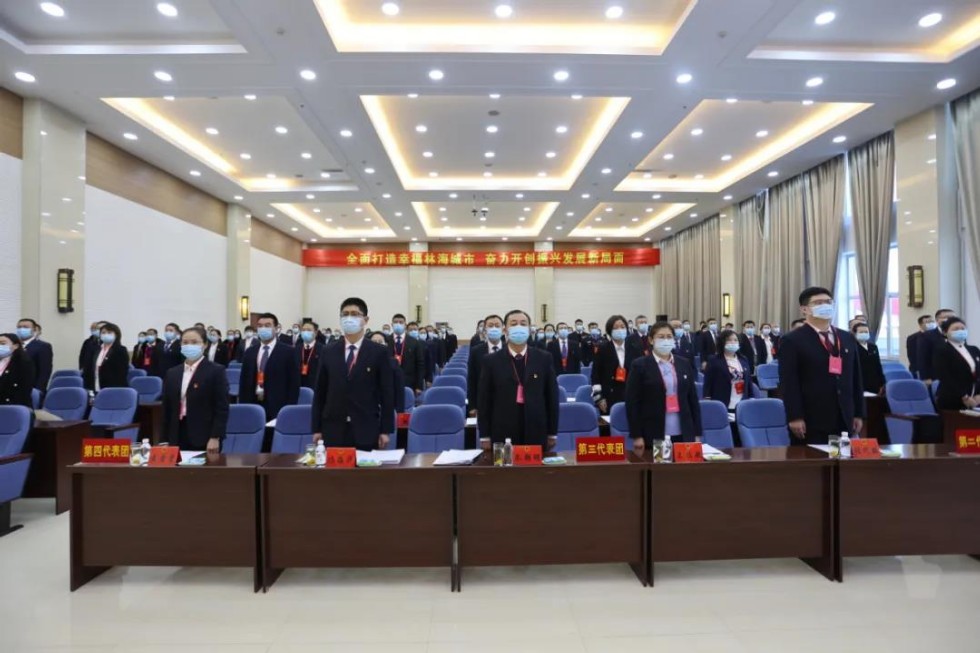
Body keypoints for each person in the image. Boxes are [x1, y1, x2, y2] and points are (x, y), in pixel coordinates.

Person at [779, 287, 864, 445]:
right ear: (804, 309)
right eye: (818, 303)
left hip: (844, 415)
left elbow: (855, 377)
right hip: (811, 417)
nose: (825, 306)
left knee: (842, 457)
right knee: (815, 458)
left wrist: (858, 412)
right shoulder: (792, 340)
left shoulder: (846, 338)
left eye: (828, 302)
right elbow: (789, 382)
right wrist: (795, 416)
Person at [312, 297, 394, 451]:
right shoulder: (328, 351)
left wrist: (385, 430)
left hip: (366, 428)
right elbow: (320, 393)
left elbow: (387, 394)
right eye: (345, 314)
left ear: (365, 320)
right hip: (333, 428)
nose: (349, 318)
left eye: (355, 314)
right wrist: (316, 428)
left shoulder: (379, 352)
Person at [477, 309, 559, 449]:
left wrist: (552, 432)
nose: (518, 327)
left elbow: (551, 396)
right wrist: (484, 435)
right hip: (502, 430)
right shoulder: (491, 361)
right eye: (514, 324)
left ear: (529, 329)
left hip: (536, 428)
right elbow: (484, 400)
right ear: (505, 330)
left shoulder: (544, 358)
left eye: (523, 323)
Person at [626, 321, 701, 448]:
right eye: (661, 337)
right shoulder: (639, 365)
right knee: (661, 461)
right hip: (654, 431)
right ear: (651, 340)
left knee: (682, 461)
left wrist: (697, 432)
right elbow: (632, 402)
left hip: (683, 430)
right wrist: (637, 435)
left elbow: (692, 400)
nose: (666, 340)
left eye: (669, 337)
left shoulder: (684, 363)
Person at [160, 327, 228, 453]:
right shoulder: (172, 373)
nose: (189, 346)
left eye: (194, 342)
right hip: (177, 433)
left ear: (205, 345)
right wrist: (164, 440)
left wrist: (215, 437)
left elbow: (221, 408)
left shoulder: (216, 371)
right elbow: (167, 408)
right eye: (185, 342)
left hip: (204, 434)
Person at [240, 313, 300, 434]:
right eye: (260, 326)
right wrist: (244, 407)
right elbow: (244, 381)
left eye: (267, 325)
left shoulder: (288, 352)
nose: (263, 329)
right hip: (253, 403)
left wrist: (288, 410)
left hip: (277, 405)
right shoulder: (250, 352)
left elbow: (294, 384)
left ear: (276, 328)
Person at [591, 315, 641, 414]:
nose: (620, 330)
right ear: (610, 331)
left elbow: (640, 374)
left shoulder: (635, 348)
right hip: (609, 396)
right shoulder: (602, 349)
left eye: (622, 327)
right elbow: (595, 375)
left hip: (631, 394)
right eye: (616, 328)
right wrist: (599, 398)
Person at [703, 329, 757, 412]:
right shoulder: (714, 360)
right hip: (722, 401)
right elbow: (708, 382)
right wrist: (708, 400)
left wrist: (751, 397)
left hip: (742, 402)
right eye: (729, 340)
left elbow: (748, 381)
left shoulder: (743, 359)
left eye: (735, 340)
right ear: (722, 342)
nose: (733, 342)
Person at [933, 317, 980, 411]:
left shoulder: (974, 349)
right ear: (945, 332)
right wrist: (964, 396)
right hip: (952, 398)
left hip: (975, 396)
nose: (960, 331)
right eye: (956, 329)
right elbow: (945, 376)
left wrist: (978, 394)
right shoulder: (942, 350)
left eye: (963, 328)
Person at [467, 314, 505, 416]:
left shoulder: (509, 349)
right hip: (483, 402)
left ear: (503, 329)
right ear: (485, 329)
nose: (494, 328)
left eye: (497, 325)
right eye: (490, 326)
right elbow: (472, 379)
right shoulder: (476, 351)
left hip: (507, 401)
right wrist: (472, 406)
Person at [84, 322, 129, 392]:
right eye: (103, 333)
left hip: (114, 388)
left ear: (116, 335)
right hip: (96, 386)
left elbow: (122, 373)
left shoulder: (121, 350)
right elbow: (89, 369)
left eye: (109, 332)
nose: (106, 334)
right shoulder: (96, 350)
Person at [389, 314, 426, 397]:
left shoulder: (414, 342)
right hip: (389, 382)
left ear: (405, 325)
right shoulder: (387, 340)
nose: (398, 324)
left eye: (401, 322)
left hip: (409, 382)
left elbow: (420, 364)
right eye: (395, 322)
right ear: (392, 324)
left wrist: (419, 386)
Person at [918, 308, 957, 385]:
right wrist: (926, 378)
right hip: (935, 377)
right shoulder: (927, 335)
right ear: (937, 320)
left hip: (955, 376)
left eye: (953, 318)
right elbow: (922, 358)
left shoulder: (957, 334)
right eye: (946, 317)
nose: (950, 320)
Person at [371, 330, 405, 413]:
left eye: (380, 342)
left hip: (388, 407)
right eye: (374, 342)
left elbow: (399, 390)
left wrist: (399, 412)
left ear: (386, 344)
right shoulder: (362, 362)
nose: (377, 344)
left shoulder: (393, 363)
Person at [0, 334, 36, 409]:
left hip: (13, 405)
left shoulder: (24, 363)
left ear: (15, 346)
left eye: (3, 343)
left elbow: (22, 390)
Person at [16, 319, 52, 393]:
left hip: (31, 388)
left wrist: (38, 390)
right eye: (19, 327)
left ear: (34, 329)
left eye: (25, 327)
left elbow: (44, 371)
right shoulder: (14, 345)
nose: (21, 329)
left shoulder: (42, 346)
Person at [852, 323, 885, 395]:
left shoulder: (873, 347)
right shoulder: (852, 347)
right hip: (859, 383)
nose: (864, 334)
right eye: (861, 332)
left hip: (874, 383)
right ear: (854, 334)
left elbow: (878, 365)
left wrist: (882, 383)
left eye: (866, 332)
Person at [295, 320, 324, 389]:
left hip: (315, 386)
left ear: (316, 333)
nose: (305, 332)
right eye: (303, 330)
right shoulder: (296, 349)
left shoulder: (323, 349)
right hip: (297, 385)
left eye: (309, 330)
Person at [907, 314, 935, 378]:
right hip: (919, 371)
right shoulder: (913, 338)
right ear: (920, 325)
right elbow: (912, 356)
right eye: (928, 322)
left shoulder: (938, 336)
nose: (931, 324)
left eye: (932, 321)